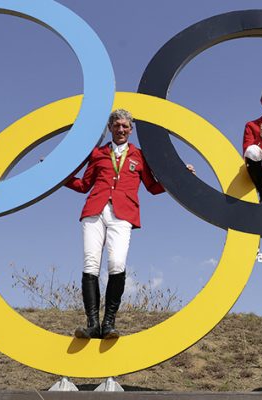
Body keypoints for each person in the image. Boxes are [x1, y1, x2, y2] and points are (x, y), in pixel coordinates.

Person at [66, 109, 193, 340]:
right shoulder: (98, 153)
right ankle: (92, 324)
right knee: (91, 263)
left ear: (131, 129)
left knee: (116, 263)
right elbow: (84, 184)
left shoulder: (139, 155)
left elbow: (153, 187)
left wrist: (181, 175)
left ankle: (109, 323)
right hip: (95, 210)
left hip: (123, 214)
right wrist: (60, 177)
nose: (121, 130)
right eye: (117, 126)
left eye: (125, 126)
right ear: (110, 128)